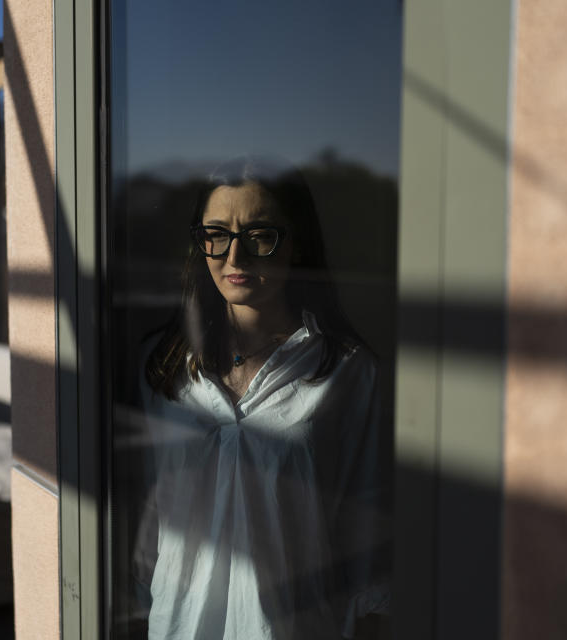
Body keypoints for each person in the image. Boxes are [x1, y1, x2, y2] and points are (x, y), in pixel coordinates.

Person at [138, 157, 390, 639]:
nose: (235, 258)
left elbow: (366, 539)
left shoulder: (349, 371)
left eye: (260, 235)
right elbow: (155, 506)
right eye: (216, 234)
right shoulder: (165, 365)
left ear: (297, 244)